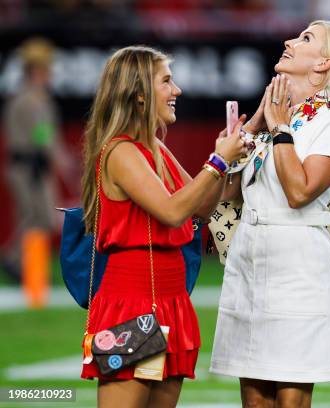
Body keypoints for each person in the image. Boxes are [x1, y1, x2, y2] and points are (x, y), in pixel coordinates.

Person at [209, 20, 330, 407]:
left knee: (290, 401)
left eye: (306, 38)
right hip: (249, 260)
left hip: (298, 272)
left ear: (323, 64)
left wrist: (279, 129)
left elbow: (299, 191)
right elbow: (223, 199)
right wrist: (245, 135)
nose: (289, 40)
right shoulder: (274, 115)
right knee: (254, 400)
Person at [80, 45, 246, 407]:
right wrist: (218, 161)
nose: (177, 91)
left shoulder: (154, 147)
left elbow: (201, 206)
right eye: (167, 81)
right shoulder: (121, 151)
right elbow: (172, 212)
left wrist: (226, 156)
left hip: (170, 301)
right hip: (133, 304)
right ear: (139, 94)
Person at [1, 37, 69, 282]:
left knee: (36, 218)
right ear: (38, 71)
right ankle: (17, 261)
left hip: (30, 167)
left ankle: (27, 266)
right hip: (27, 168)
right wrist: (60, 158)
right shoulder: (31, 100)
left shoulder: (30, 98)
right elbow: (43, 135)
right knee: (36, 217)